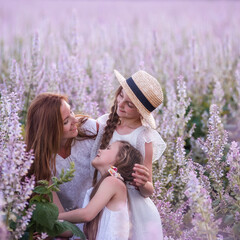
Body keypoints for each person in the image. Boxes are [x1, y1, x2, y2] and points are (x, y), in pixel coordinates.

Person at [91, 70, 166, 239]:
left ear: (141, 112)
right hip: (104, 201)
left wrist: (142, 183)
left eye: (130, 104)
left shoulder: (143, 137)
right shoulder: (104, 123)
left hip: (135, 211)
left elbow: (148, 190)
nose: (121, 104)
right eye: (121, 96)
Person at [25, 92, 98, 221]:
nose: (75, 120)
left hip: (103, 214)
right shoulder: (41, 162)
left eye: (71, 112)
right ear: (50, 130)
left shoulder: (89, 130)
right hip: (72, 224)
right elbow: (59, 220)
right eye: (66, 121)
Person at [58, 140, 142, 240]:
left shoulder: (113, 182)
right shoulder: (104, 185)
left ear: (120, 158)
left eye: (108, 148)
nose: (100, 150)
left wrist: (55, 217)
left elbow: (86, 215)